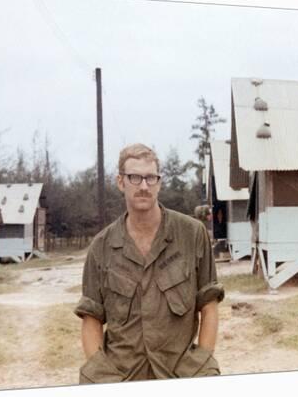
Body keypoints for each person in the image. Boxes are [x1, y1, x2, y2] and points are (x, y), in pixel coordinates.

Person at [73, 143, 224, 384]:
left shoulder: (192, 234)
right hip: (123, 377)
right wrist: (103, 377)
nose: (144, 186)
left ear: (159, 182)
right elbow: (91, 319)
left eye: (151, 178)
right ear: (121, 182)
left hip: (180, 374)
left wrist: (201, 362)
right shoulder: (101, 248)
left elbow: (209, 305)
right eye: (135, 178)